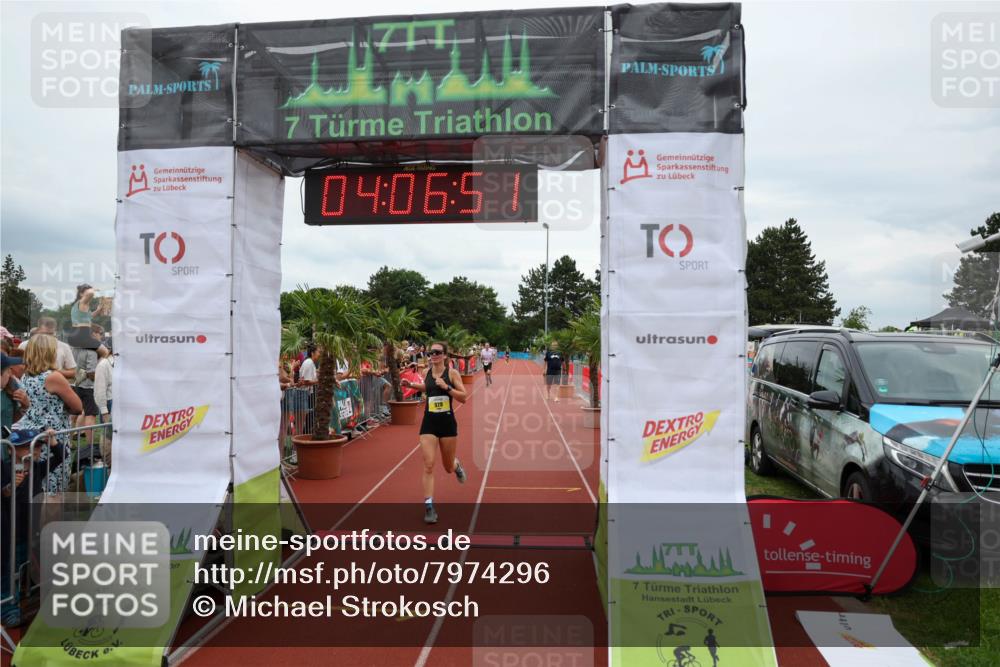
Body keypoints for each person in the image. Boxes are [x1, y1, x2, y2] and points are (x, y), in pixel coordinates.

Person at [400, 342, 468, 524]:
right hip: (429, 423)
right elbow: (428, 389)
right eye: (431, 352)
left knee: (447, 467)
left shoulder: (452, 373)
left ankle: (456, 465)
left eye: (437, 352)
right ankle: (429, 507)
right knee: (428, 464)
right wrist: (412, 385)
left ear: (445, 355)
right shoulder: (426, 373)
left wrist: (447, 387)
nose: (433, 355)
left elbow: (464, 397)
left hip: (447, 424)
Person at [12, 334, 83, 492]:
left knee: (35, 487)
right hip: (51, 437)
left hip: (31, 436)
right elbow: (78, 407)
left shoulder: (25, 376)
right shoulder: (53, 377)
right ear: (50, 353)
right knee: (53, 490)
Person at [2, 353, 30, 436]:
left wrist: (24, 407)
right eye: (7, 371)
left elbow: (9, 420)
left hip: (5, 446)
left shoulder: (9, 388)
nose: (10, 374)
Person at [94, 343, 114, 423]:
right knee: (109, 434)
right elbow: (100, 390)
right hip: (110, 404)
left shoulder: (124, 365)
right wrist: (104, 412)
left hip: (122, 405)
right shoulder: (103, 365)